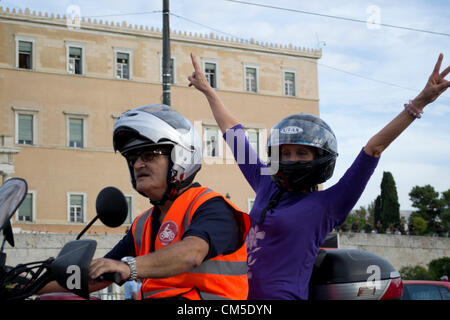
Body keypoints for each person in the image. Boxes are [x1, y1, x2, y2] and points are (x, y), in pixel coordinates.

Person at [188, 52, 450, 299]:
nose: (291, 160)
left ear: (319, 160)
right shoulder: (265, 183)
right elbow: (234, 135)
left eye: (302, 153)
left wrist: (419, 102)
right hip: (240, 297)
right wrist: (208, 90)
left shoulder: (329, 205)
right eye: (285, 153)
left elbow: (373, 148)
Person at [40, 104, 250, 300]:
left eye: (149, 155)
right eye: (132, 158)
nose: (138, 164)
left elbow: (192, 253)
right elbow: (98, 277)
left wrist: (129, 267)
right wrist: (22, 284)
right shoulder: (143, 225)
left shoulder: (212, 207)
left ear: (181, 157)